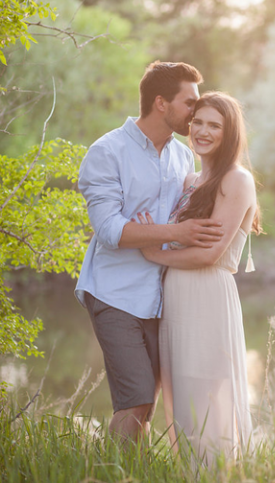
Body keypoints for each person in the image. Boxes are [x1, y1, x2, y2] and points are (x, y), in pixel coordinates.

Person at [74, 61, 224, 442]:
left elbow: (170, 226)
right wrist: (172, 231)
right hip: (114, 291)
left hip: (161, 294)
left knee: (149, 406)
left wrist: (152, 233)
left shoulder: (182, 157)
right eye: (189, 103)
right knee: (136, 400)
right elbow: (109, 230)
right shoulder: (107, 151)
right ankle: (107, 472)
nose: (196, 111)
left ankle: (127, 472)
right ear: (161, 103)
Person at [138, 91, 261, 465]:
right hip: (176, 298)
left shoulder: (236, 180)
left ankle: (219, 472)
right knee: (184, 403)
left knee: (209, 398)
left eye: (215, 125)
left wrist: (150, 250)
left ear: (230, 133)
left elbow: (211, 253)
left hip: (207, 296)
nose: (203, 132)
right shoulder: (190, 179)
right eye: (199, 123)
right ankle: (191, 472)